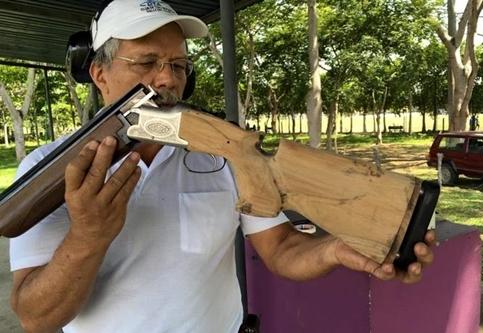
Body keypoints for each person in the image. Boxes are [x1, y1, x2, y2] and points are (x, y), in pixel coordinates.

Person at [9, 1, 436, 332]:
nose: (166, 79)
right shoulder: (48, 167)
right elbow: (36, 317)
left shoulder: (224, 151)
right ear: (99, 74)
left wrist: (334, 249)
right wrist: (88, 237)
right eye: (146, 62)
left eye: (178, 65)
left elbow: (282, 249)